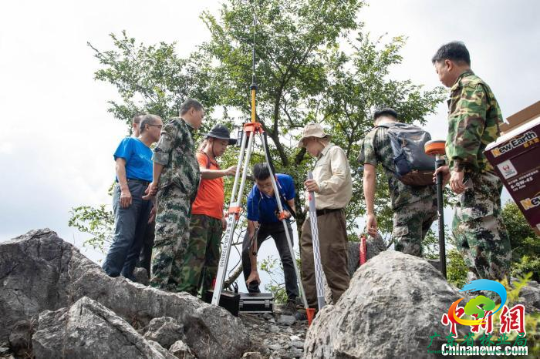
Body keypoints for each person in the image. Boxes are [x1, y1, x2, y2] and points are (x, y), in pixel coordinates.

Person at [432, 41, 511, 280]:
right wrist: (451, 165)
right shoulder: (466, 88)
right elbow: (465, 133)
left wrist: (459, 166)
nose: (439, 78)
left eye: (438, 71)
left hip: (477, 173)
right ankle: (480, 288)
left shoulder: (469, 86)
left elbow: (468, 127)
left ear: (448, 64)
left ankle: (496, 293)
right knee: (465, 231)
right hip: (472, 171)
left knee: (482, 232)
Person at [144, 99, 205, 291]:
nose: (201, 121)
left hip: (184, 197)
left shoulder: (187, 133)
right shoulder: (176, 124)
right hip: (173, 191)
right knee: (167, 240)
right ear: (192, 111)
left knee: (180, 245)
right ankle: (157, 289)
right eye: (201, 116)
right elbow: (161, 152)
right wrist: (155, 182)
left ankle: (171, 290)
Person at [359, 108, 437, 256]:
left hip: (407, 203)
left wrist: (370, 213)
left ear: (375, 122)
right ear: (395, 118)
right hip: (433, 201)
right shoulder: (416, 131)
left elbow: (368, 174)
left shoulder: (374, 134)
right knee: (416, 253)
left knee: (406, 259)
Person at [177, 124, 237, 297]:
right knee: (195, 256)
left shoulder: (216, 165)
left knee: (212, 260)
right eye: (222, 144)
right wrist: (225, 172)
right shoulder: (200, 157)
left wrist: (221, 216)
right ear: (210, 141)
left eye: (226, 145)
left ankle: (208, 296)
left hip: (214, 219)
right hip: (200, 215)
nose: (224, 148)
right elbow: (199, 172)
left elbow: (215, 194)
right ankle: (186, 293)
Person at [102, 114, 163, 281]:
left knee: (138, 241)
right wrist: (124, 189)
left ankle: (126, 277)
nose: (161, 130)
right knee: (124, 236)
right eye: (159, 126)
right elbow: (119, 164)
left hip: (147, 195)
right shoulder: (130, 142)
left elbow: (154, 181)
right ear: (147, 127)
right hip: (130, 188)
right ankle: (106, 276)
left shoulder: (153, 153)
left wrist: (154, 205)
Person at [298, 123, 352, 309]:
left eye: (306, 145)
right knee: (308, 264)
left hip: (330, 215)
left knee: (334, 263)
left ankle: (343, 311)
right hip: (311, 216)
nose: (306, 149)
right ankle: (311, 309)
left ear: (314, 139)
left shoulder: (334, 152)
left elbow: (340, 177)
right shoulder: (319, 159)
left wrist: (320, 187)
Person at [242, 163, 299, 314]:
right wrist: (254, 269)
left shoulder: (286, 181)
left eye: (268, 184)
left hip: (280, 223)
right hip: (260, 224)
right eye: (261, 185)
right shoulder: (253, 198)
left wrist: (286, 214)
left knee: (288, 256)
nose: (266, 188)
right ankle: (254, 293)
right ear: (255, 182)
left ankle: (293, 299)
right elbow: (252, 233)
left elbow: (292, 208)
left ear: (274, 178)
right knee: (246, 250)